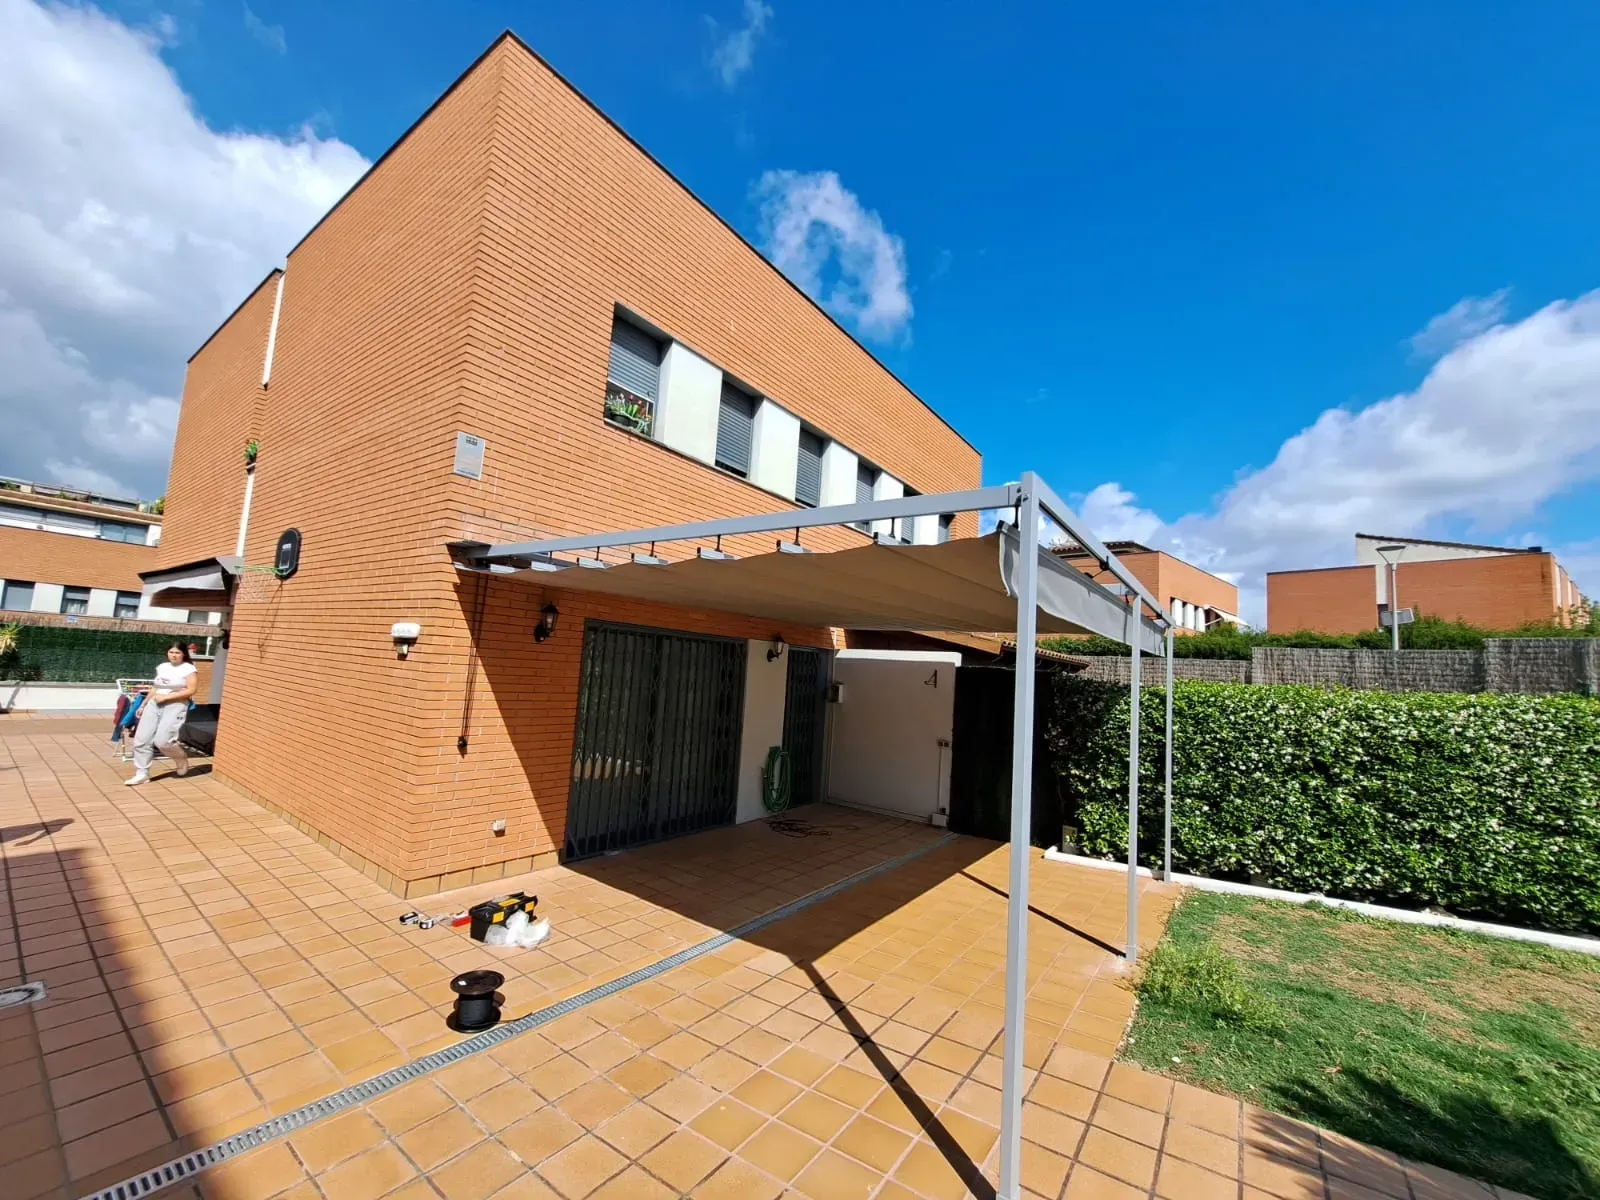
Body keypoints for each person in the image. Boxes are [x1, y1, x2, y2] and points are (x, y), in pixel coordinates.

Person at [125, 643, 198, 786]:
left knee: (163, 741)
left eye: (177, 652)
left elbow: (191, 690)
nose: (174, 655)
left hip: (175, 705)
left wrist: (167, 697)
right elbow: (156, 687)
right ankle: (142, 773)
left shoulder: (189, 669)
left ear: (183, 654)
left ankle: (180, 758)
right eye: (171, 652)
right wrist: (143, 704)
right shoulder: (162, 667)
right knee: (141, 739)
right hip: (154, 704)